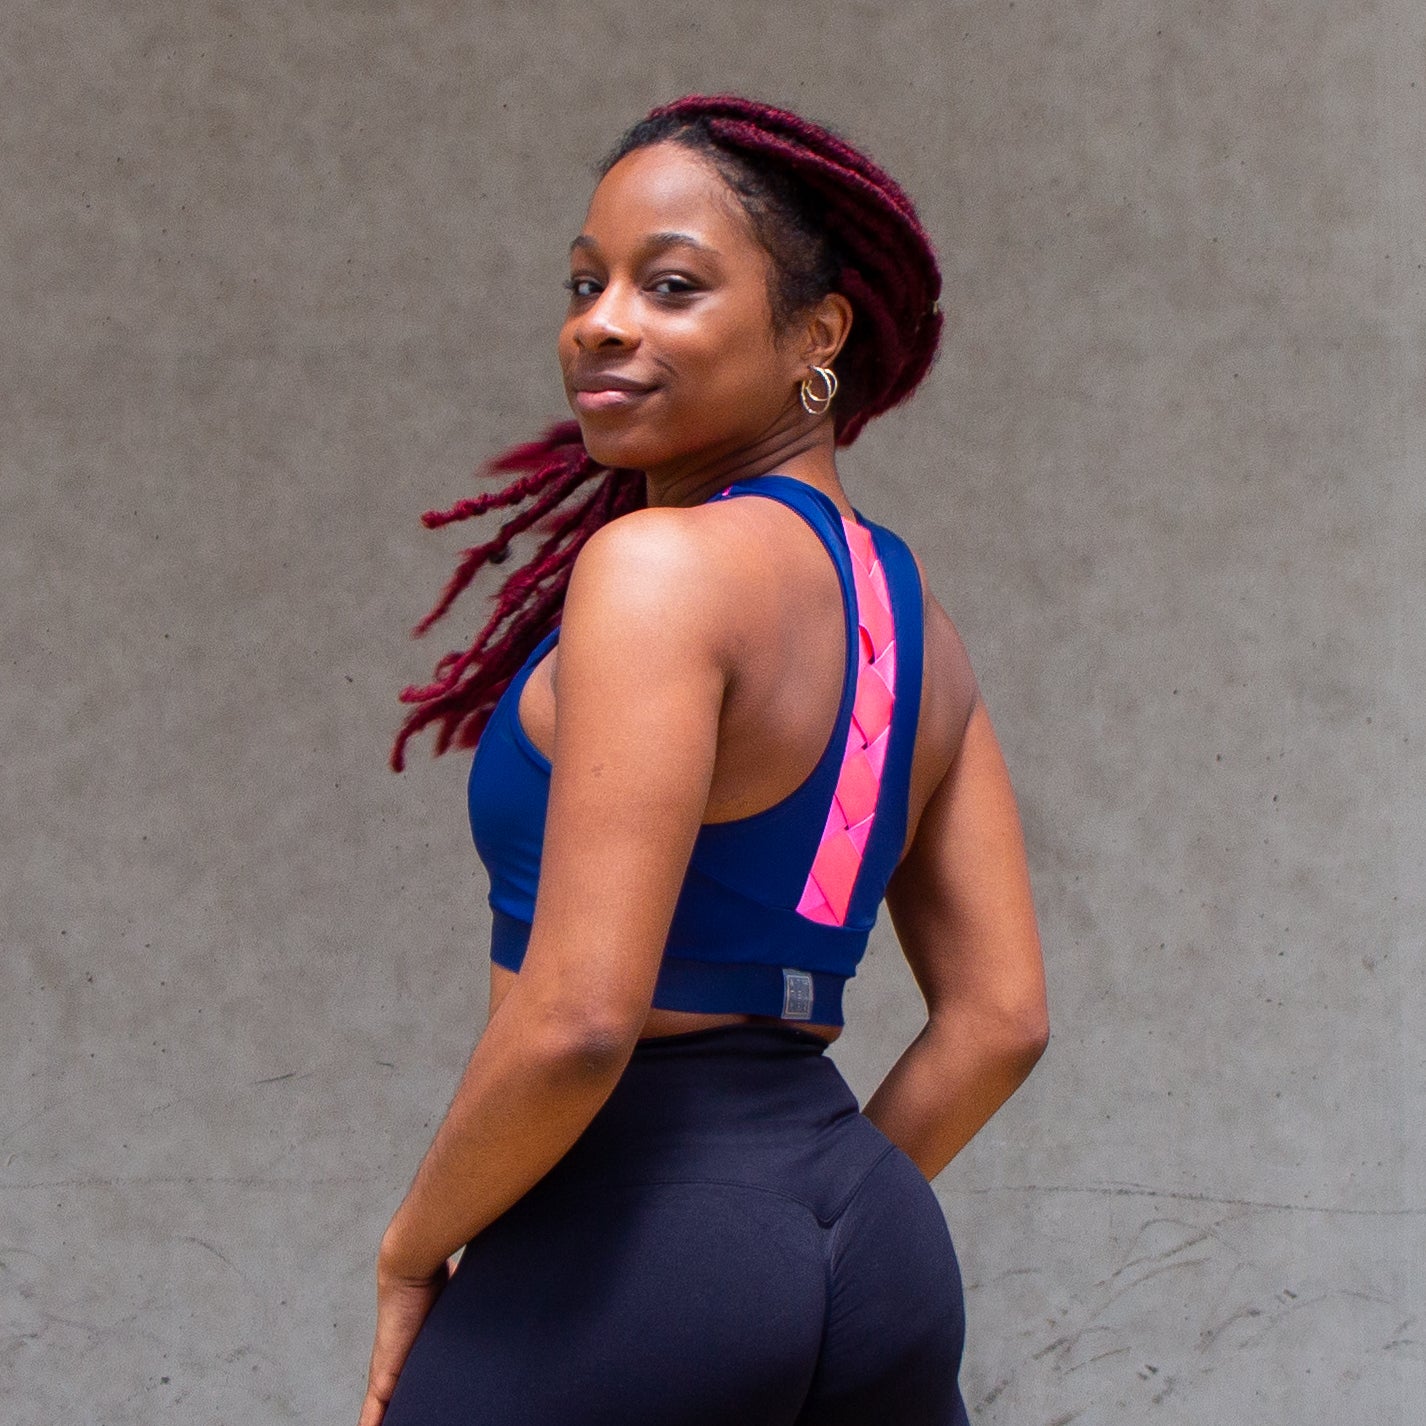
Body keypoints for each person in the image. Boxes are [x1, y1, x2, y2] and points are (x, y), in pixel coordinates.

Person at [362, 94, 1048, 1426]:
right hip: (870, 1240)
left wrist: (408, 1247)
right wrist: (805, 1215)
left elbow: (574, 1020)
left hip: (624, 1235)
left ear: (819, 334)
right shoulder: (917, 628)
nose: (601, 321)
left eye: (669, 285)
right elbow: (1001, 1017)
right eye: (585, 281)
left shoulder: (655, 568)